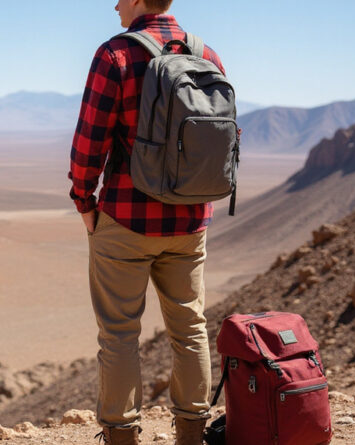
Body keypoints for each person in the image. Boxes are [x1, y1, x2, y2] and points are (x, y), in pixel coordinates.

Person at [68, 0, 227, 444]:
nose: (114, 4)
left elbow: (89, 140)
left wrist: (84, 200)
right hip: (191, 219)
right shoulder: (207, 55)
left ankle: (121, 436)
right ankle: (192, 434)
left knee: (119, 333)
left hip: (126, 218)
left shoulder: (115, 55)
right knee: (190, 326)